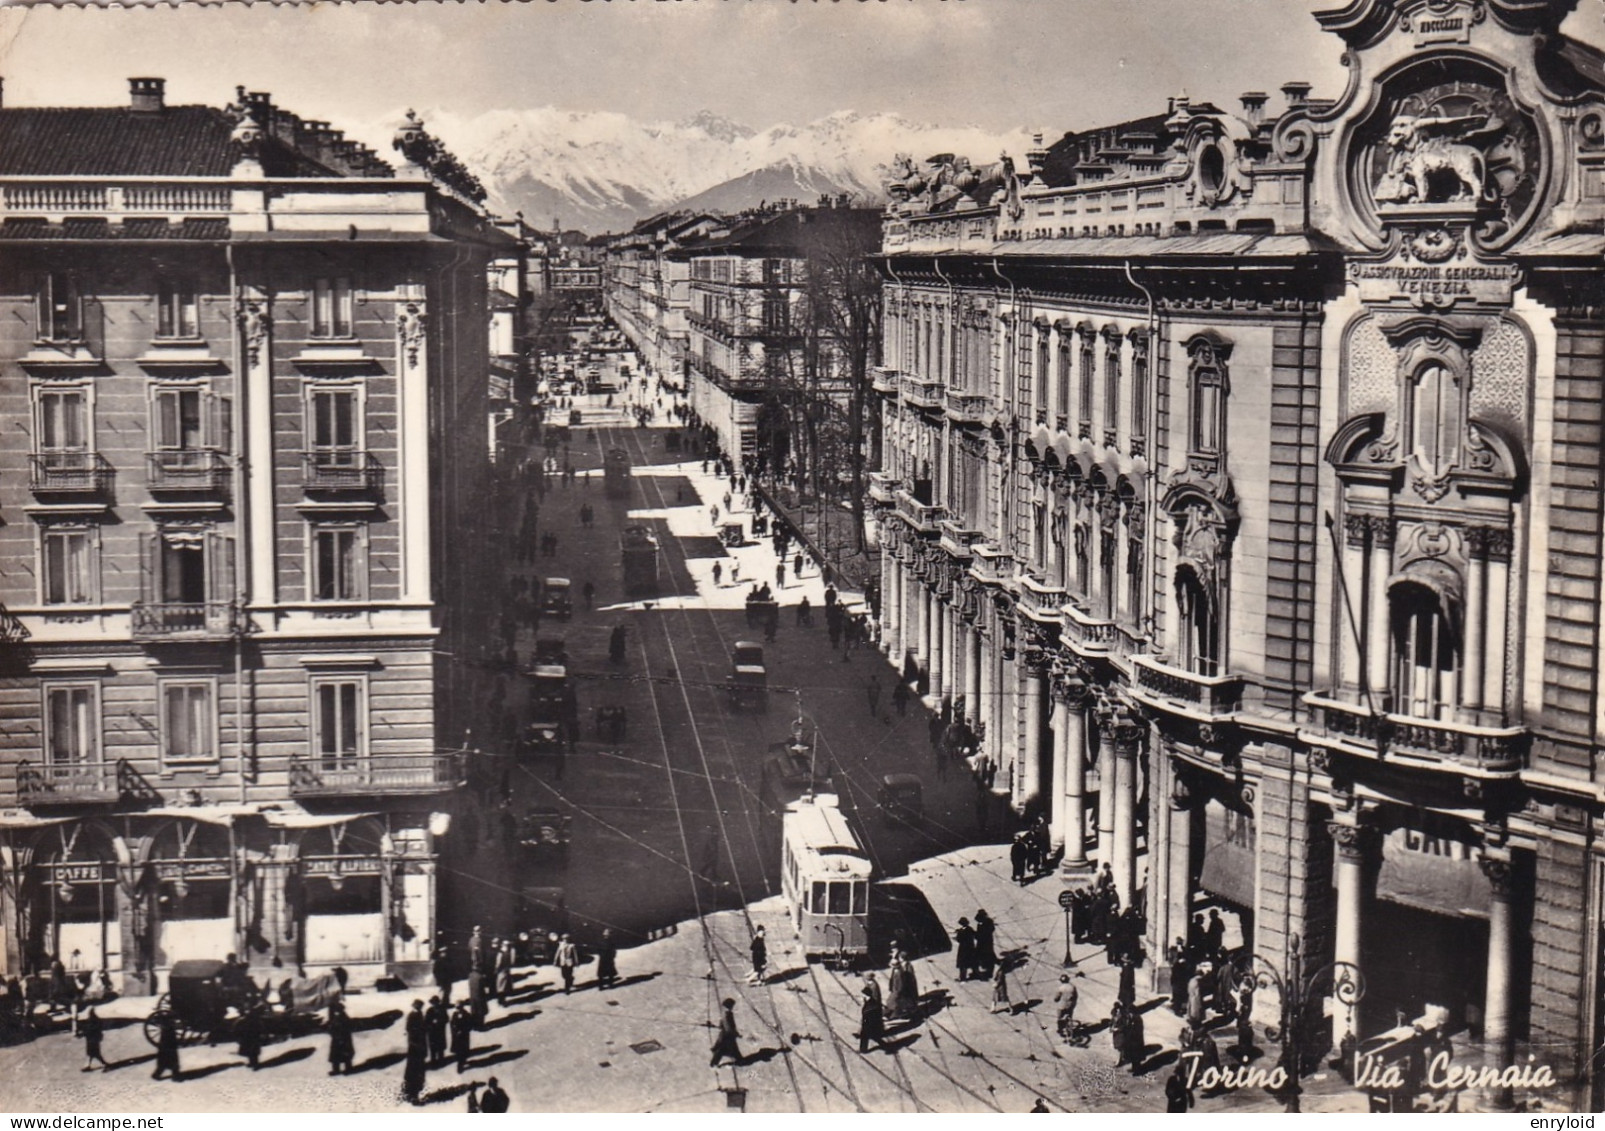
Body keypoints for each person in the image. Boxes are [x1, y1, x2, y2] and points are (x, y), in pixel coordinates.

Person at [403, 999, 428, 1104]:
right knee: (414, 1071)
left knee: (419, 1071)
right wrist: (416, 1043)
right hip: (414, 1047)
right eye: (418, 1006)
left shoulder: (420, 1014)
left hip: (420, 1047)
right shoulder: (412, 1016)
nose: (420, 1008)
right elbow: (409, 1030)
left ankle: (413, 1093)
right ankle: (412, 1095)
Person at [710, 998, 743, 1066]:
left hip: (725, 1034)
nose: (732, 1007)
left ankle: (739, 1059)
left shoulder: (724, 1013)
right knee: (723, 1049)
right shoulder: (728, 1014)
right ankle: (714, 1063)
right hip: (727, 1035)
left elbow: (721, 1024)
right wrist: (735, 1034)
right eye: (731, 1006)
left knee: (727, 1048)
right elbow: (729, 1026)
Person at [327, 999, 355, 1076]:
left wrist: (339, 1036)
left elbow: (344, 1027)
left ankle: (347, 1068)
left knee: (344, 1053)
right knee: (337, 1055)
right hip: (338, 1038)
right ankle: (337, 1069)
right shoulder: (337, 1018)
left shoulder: (342, 1018)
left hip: (342, 1038)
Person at [858, 981, 887, 1053]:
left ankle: (863, 1050)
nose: (861, 996)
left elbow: (871, 1013)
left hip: (869, 1023)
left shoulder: (871, 1004)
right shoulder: (868, 1002)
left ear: (866, 995)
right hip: (869, 1023)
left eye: (863, 995)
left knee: (865, 1036)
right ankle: (884, 1045)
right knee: (874, 1036)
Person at [152, 1011, 181, 1080]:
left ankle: (158, 1073)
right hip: (169, 1043)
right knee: (171, 1056)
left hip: (166, 1043)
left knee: (164, 1057)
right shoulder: (169, 1028)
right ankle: (175, 1073)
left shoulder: (165, 1028)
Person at [236, 1002, 264, 1070]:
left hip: (254, 1033)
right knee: (248, 1049)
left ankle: (255, 1064)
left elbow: (259, 1024)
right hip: (246, 1033)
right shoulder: (243, 1014)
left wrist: (261, 1032)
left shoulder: (254, 1015)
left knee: (253, 1050)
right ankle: (251, 1063)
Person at [80, 1006, 107, 1071]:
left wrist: (81, 1034)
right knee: (91, 1053)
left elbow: (89, 1030)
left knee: (93, 1053)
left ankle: (104, 1064)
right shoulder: (96, 1020)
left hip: (92, 1039)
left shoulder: (92, 1021)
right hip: (93, 1039)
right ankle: (87, 1066)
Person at [450, 1001, 474, 1073]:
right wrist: (455, 1030)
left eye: (459, 1007)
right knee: (458, 1051)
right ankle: (460, 1063)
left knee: (463, 1050)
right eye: (457, 1008)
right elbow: (452, 1023)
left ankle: (461, 1064)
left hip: (464, 1036)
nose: (458, 1009)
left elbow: (469, 1025)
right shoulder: (454, 1014)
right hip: (457, 1037)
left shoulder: (466, 1014)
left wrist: (463, 1031)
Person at [426, 995, 449, 1067]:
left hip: (440, 1031)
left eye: (436, 1002)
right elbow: (426, 1021)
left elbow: (446, 1019)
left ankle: (441, 1060)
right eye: (433, 1003)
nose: (435, 1004)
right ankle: (433, 1061)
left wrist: (440, 1021)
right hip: (432, 1032)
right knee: (433, 1047)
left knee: (440, 1047)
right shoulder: (429, 1010)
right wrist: (431, 1023)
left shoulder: (442, 1009)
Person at [973, 910, 997, 979]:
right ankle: (986, 971)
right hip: (985, 942)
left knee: (986, 956)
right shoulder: (985, 922)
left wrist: (975, 934)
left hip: (985, 943)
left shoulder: (987, 922)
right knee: (986, 956)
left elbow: (982, 934)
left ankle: (988, 972)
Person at [1054, 975, 1079, 1039]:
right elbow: (1076, 996)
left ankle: (1060, 1030)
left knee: (1060, 1018)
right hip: (1070, 1005)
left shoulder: (1061, 988)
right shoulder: (1073, 987)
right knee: (1070, 1015)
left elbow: (1057, 998)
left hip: (1062, 1005)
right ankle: (1069, 1028)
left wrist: (1056, 999)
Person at [954, 917, 976, 982]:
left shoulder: (961, 931)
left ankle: (962, 978)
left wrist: (958, 933)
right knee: (971, 962)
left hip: (963, 949)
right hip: (970, 948)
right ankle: (975, 974)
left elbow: (959, 939)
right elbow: (974, 934)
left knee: (962, 964)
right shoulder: (970, 929)